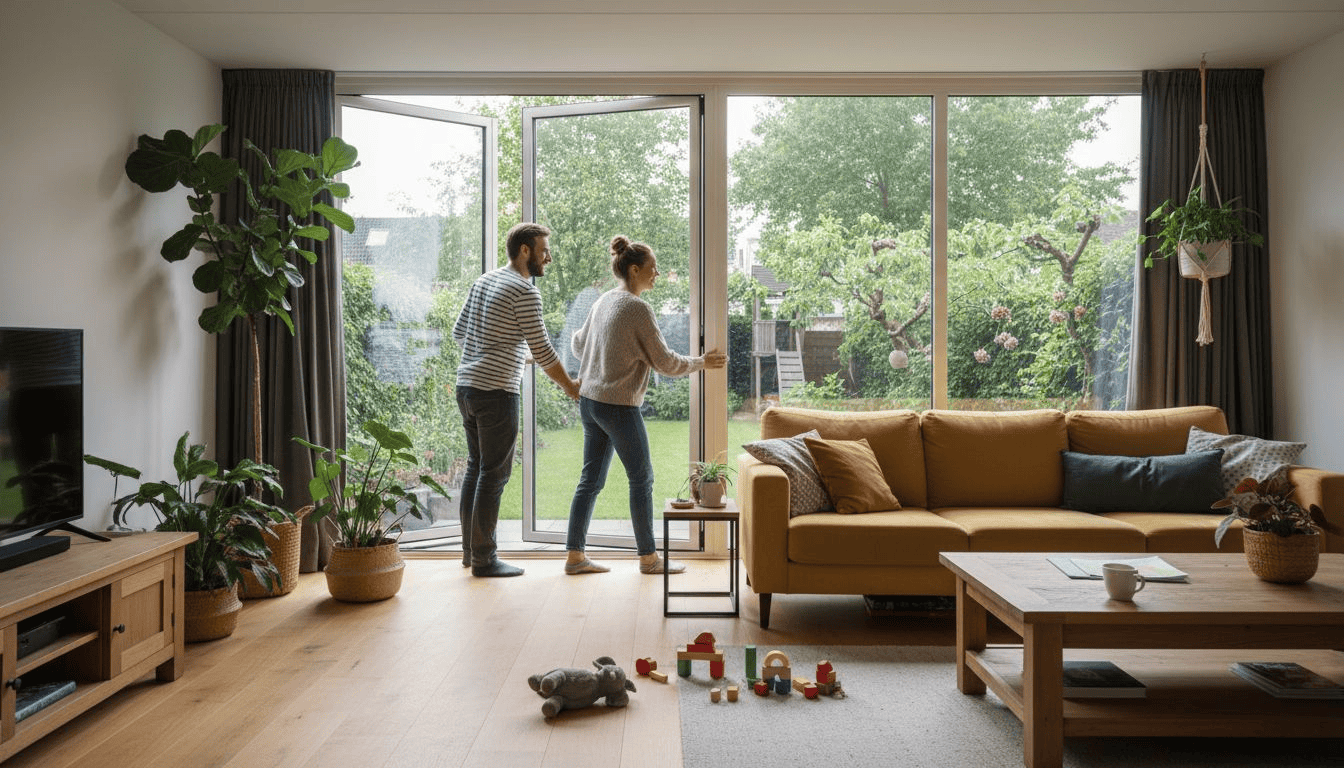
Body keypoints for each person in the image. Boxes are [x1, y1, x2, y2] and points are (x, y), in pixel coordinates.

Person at [564, 236, 727, 575]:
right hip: (618, 406)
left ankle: (575, 557)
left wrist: (604, 354)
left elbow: (578, 346)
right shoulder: (637, 308)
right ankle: (649, 559)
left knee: (590, 480)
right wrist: (702, 363)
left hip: (590, 402)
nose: (657, 273)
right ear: (634, 269)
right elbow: (665, 362)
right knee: (642, 479)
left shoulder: (604, 300)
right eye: (653, 269)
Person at [453, 222, 580, 577]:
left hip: (466, 387)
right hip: (496, 393)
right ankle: (484, 560)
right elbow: (543, 351)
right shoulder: (525, 290)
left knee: (477, 469)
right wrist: (570, 386)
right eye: (544, 250)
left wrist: (506, 354)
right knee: (493, 476)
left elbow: (460, 333)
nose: (548, 258)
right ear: (525, 250)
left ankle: (469, 553)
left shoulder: (485, 281)